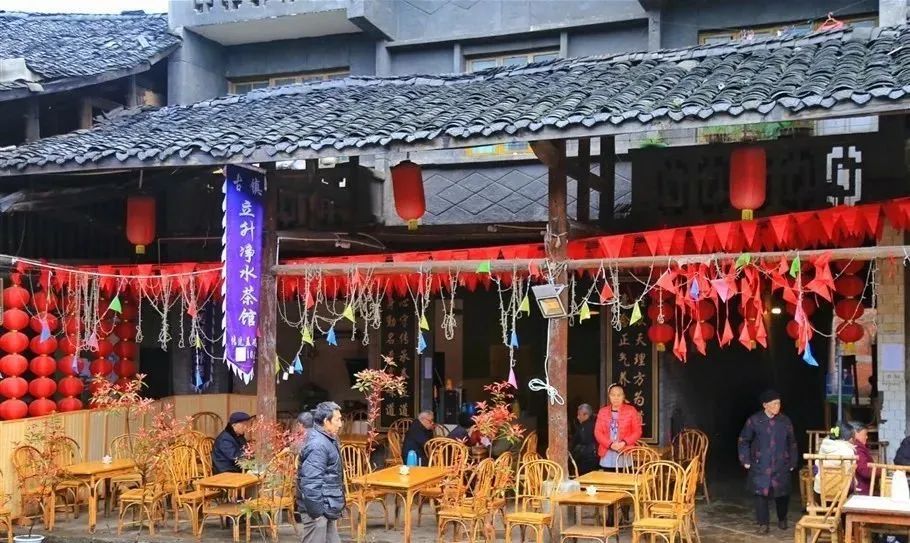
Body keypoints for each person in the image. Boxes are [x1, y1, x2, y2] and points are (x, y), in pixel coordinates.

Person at [737, 389, 798, 535]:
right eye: (774, 403)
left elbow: (792, 443)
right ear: (765, 405)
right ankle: (763, 523)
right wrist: (745, 459)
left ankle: (782, 518)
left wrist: (793, 461)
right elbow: (743, 440)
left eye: (779, 403)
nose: (778, 406)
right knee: (760, 494)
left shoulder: (785, 421)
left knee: (782, 493)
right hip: (761, 464)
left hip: (781, 463)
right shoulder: (754, 420)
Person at [298, 401, 345, 543]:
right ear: (326, 421)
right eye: (337, 420)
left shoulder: (327, 439)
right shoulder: (318, 444)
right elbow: (311, 481)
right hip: (317, 510)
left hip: (326, 505)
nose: (340, 424)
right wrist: (316, 513)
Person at [594, 384, 643, 470]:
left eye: (619, 395)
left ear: (623, 396)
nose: (616, 398)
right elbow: (598, 432)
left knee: (624, 477)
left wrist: (624, 442)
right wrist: (610, 444)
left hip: (625, 452)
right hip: (607, 453)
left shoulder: (631, 410)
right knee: (607, 477)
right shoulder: (603, 411)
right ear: (609, 396)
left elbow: (637, 431)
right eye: (613, 395)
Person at [814, 423, 856, 494]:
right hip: (841, 491)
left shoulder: (824, 446)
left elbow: (816, 466)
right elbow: (850, 473)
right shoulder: (849, 450)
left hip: (821, 489)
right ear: (851, 439)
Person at [570, 403, 598, 475]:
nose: (577, 417)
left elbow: (582, 441)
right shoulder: (596, 422)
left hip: (588, 459)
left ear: (586, 415)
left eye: (579, 415)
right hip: (594, 457)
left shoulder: (585, 426)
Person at [850, 422, 873, 495]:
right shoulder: (857, 448)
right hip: (860, 489)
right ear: (856, 433)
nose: (867, 437)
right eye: (865, 434)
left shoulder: (858, 447)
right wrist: (881, 470)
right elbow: (865, 471)